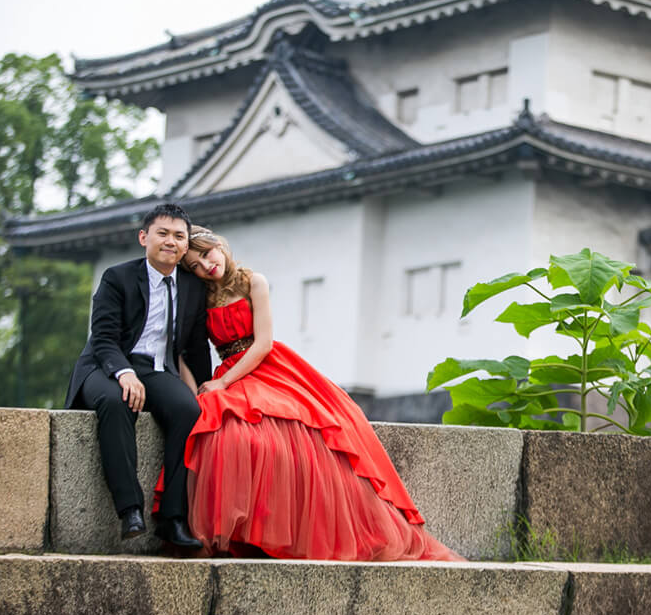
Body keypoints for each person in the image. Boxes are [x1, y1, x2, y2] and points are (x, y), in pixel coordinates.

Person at [173, 225, 462, 561]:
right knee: (226, 432)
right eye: (194, 265)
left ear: (219, 246)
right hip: (227, 372)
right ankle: (244, 532)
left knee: (301, 437)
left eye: (207, 255)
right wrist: (204, 385)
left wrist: (223, 383)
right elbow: (182, 348)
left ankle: (293, 534)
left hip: (265, 365)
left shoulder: (253, 281)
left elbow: (264, 343)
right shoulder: (199, 294)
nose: (205, 266)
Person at [65, 202, 211, 549]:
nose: (171, 242)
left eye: (179, 236)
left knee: (190, 411)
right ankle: (130, 508)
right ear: (144, 237)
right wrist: (124, 371)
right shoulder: (118, 277)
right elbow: (102, 338)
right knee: (117, 403)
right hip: (105, 365)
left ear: (186, 245)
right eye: (163, 234)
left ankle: (172, 518)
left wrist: (207, 386)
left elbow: (195, 346)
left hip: (156, 370)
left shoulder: (192, 287)